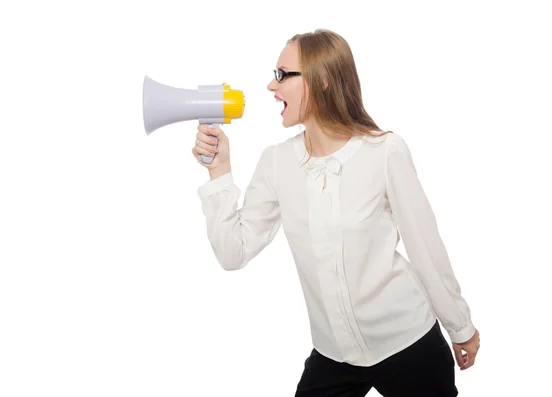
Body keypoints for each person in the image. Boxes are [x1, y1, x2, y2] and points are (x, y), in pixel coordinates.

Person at [192, 29, 480, 397]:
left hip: (407, 342)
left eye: (282, 74)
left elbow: (425, 248)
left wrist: (461, 327)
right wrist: (219, 171)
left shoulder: (385, 152)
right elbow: (233, 253)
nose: (270, 85)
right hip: (333, 354)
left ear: (322, 80)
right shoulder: (278, 163)